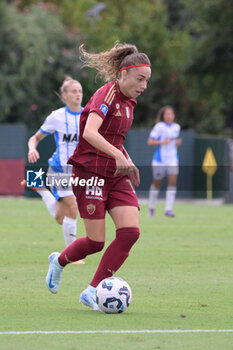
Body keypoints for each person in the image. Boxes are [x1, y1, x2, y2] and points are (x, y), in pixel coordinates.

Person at [45, 43, 151, 311]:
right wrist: (117, 154)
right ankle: (59, 262)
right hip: (90, 172)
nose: (144, 86)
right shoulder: (106, 95)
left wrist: (125, 158)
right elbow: (90, 133)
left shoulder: (130, 102)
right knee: (95, 242)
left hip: (116, 175)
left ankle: (92, 290)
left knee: (130, 233)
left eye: (147, 80)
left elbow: (116, 138)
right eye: (140, 79)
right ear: (124, 74)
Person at [24, 77, 85, 262]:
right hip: (59, 170)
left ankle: (40, 188)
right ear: (64, 95)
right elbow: (34, 138)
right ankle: (72, 256)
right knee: (73, 209)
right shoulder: (57, 116)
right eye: (73, 91)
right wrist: (32, 148)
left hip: (79, 172)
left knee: (62, 217)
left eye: (80, 91)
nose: (78, 94)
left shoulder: (89, 115)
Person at [147, 106, 182, 217]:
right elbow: (150, 142)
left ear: (174, 116)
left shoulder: (177, 127)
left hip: (172, 159)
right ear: (163, 116)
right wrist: (162, 142)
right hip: (159, 160)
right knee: (157, 184)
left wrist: (177, 143)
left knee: (172, 182)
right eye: (167, 114)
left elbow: (173, 141)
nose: (169, 116)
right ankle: (151, 207)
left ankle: (168, 209)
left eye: (171, 114)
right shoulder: (159, 127)